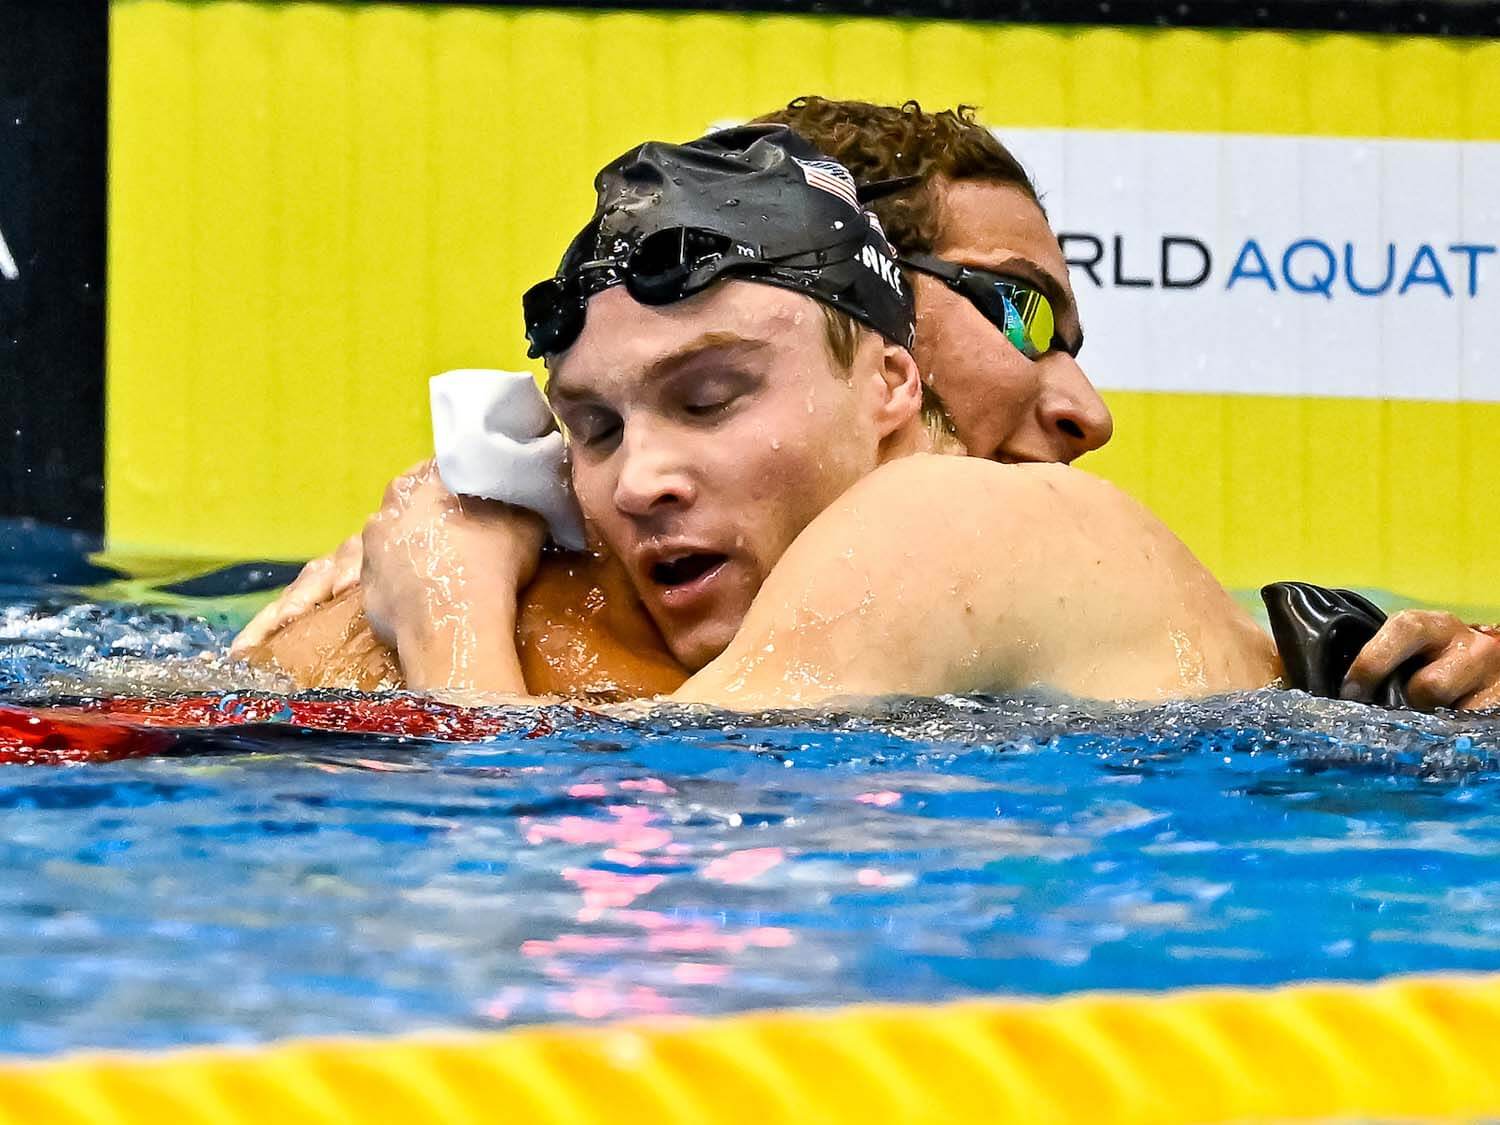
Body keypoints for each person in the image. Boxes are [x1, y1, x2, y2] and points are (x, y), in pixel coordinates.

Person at [236, 100, 1500, 711]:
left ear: (886, 372)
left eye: (714, 395)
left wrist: (445, 606)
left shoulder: (950, 523)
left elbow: (570, 849)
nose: (1085, 408)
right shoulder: (592, 569)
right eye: (601, 429)